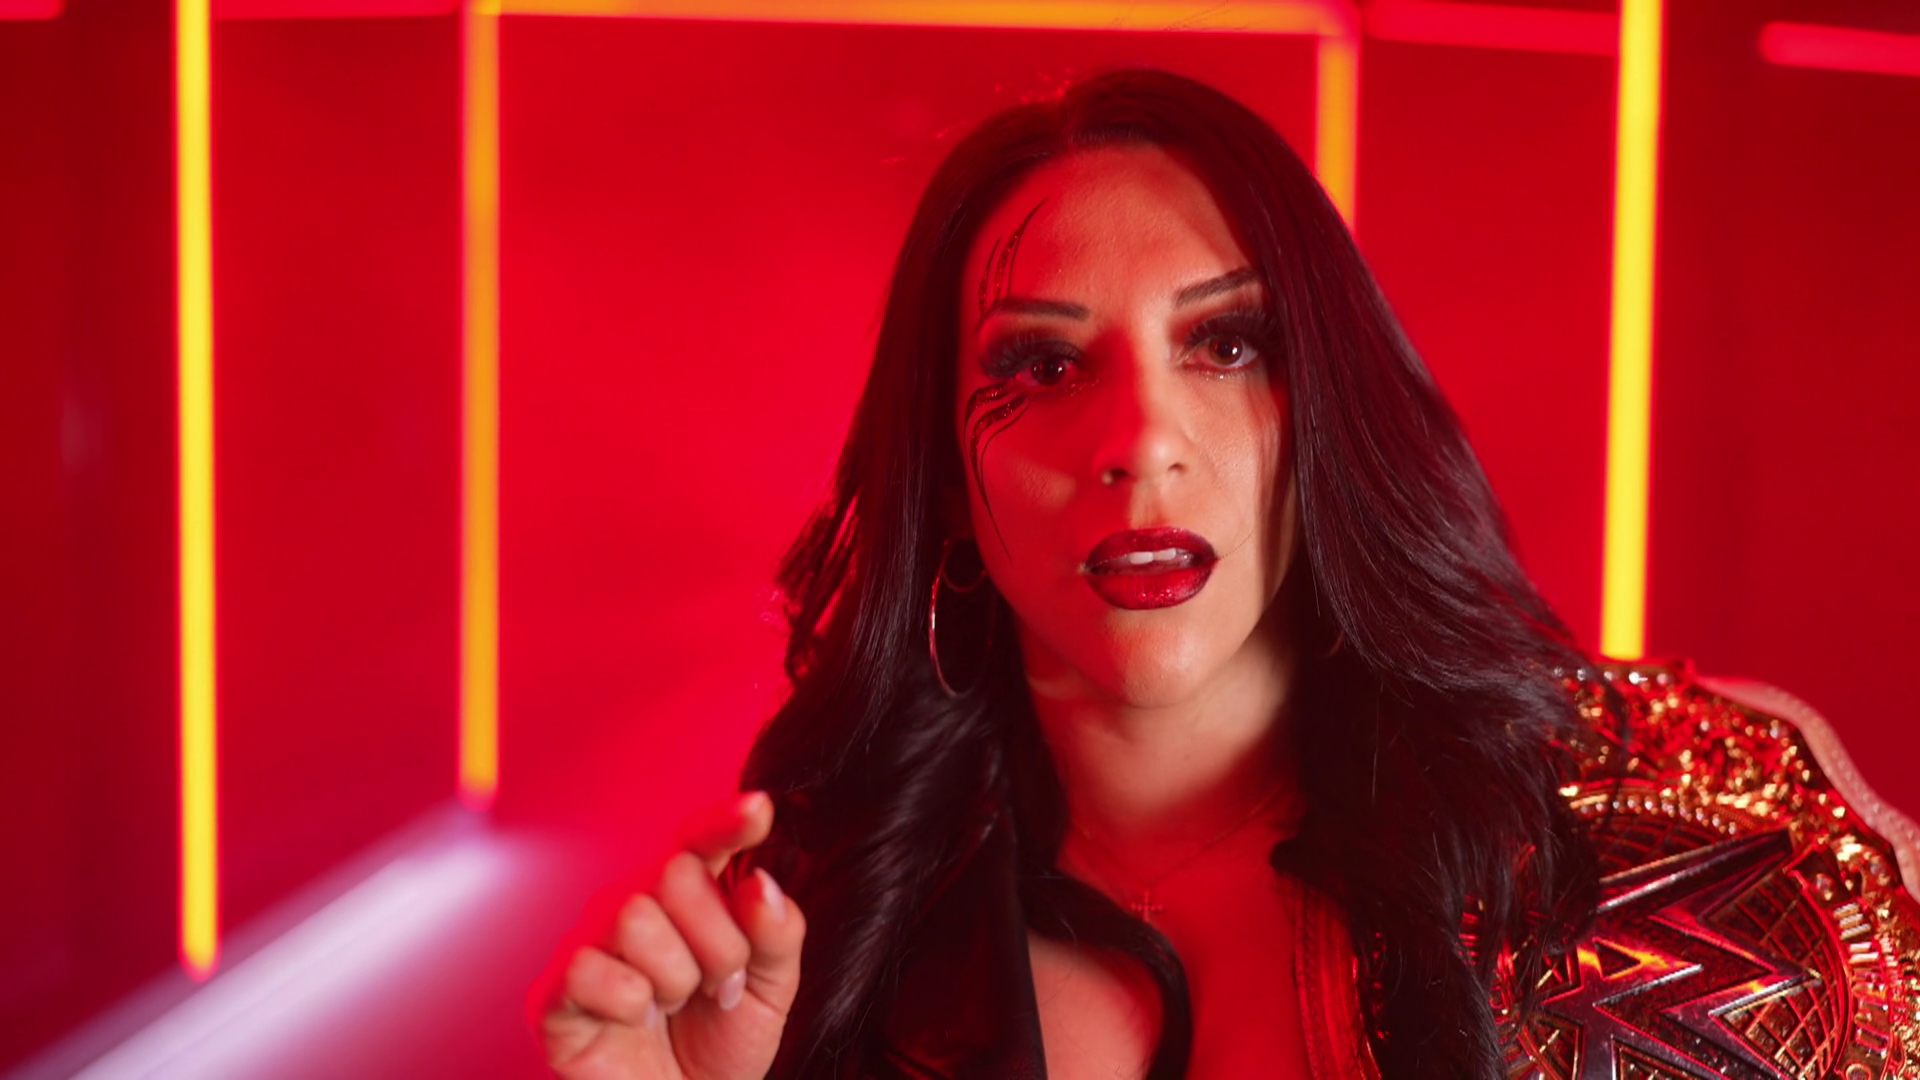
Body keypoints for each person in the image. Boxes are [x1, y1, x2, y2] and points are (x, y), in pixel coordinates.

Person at [530, 70, 1920, 1079]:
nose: (1141, 441)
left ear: (1328, 416)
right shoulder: (803, 960)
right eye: (1043, 365)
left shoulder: (1681, 835)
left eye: (1229, 345)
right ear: (946, 479)